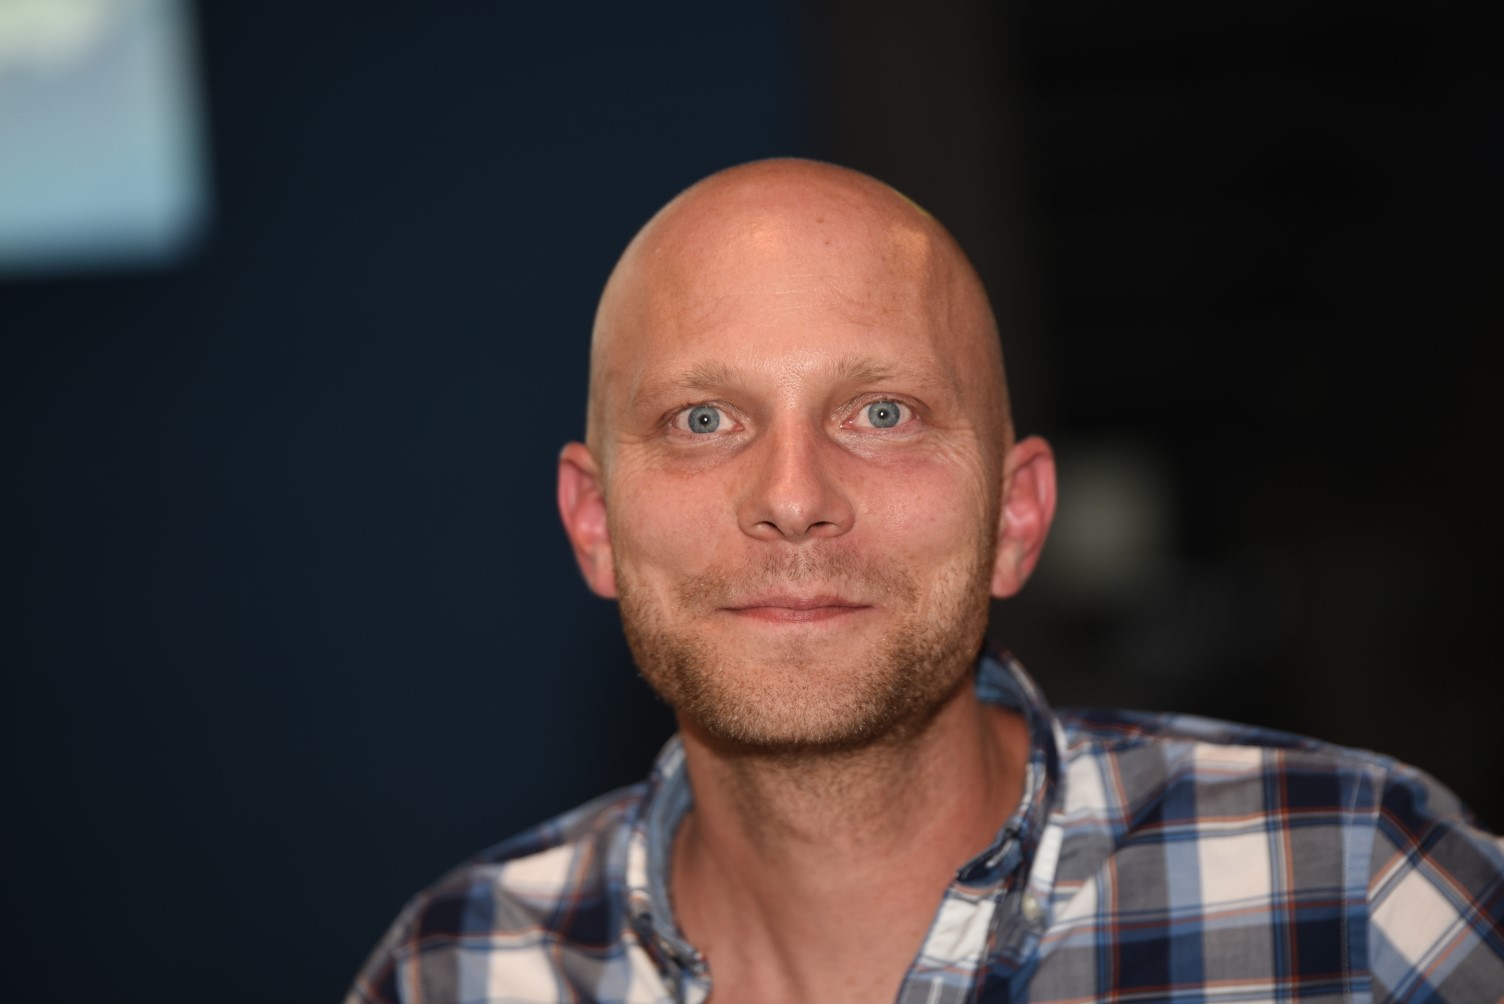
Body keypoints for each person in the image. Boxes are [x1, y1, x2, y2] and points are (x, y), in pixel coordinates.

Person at [345, 160, 1504, 1003]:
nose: (793, 495)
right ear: (595, 522)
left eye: (883, 413)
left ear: (1015, 514)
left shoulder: (1360, 895)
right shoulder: (456, 969)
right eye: (702, 419)